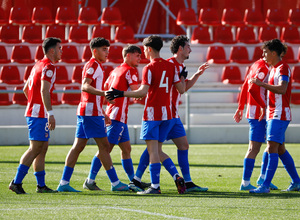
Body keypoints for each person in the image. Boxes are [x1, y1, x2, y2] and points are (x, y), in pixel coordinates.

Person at [106, 35, 186, 194]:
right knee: (156, 149)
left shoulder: (149, 68)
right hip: (167, 115)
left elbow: (142, 93)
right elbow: (181, 89)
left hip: (152, 114)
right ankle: (174, 175)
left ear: (149, 49)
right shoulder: (172, 67)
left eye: (144, 49)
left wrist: (119, 93)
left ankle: (155, 186)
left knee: (153, 151)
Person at [129, 35, 209, 193]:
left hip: (172, 114)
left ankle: (186, 182)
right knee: (154, 148)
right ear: (180, 48)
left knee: (177, 146)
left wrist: (196, 75)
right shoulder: (169, 64)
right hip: (166, 114)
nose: (190, 50)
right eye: (187, 47)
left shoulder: (175, 66)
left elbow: (182, 88)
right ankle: (142, 180)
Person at [57, 37, 129, 192]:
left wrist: (103, 112)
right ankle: (115, 183)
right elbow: (85, 86)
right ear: (94, 51)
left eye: (108, 49)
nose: (107, 52)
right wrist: (104, 93)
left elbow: (90, 93)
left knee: (78, 146)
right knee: (104, 146)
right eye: (104, 49)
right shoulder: (93, 65)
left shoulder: (95, 65)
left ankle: (63, 183)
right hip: (90, 113)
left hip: (88, 111)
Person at [83, 44, 149, 191]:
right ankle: (90, 180)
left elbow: (106, 91)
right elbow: (137, 92)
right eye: (137, 55)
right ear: (128, 55)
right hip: (117, 118)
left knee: (126, 149)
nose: (140, 58)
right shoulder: (130, 70)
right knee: (105, 150)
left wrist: (105, 111)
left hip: (117, 116)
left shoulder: (115, 70)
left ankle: (133, 181)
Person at [9, 37, 62, 194]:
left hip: (36, 112)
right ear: (51, 50)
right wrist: (49, 113)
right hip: (38, 114)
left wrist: (35, 105)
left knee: (42, 148)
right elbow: (44, 90)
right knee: (35, 148)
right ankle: (16, 182)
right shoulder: (49, 67)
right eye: (59, 48)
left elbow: (26, 89)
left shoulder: (38, 64)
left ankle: (41, 185)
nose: (61, 51)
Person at [249, 39, 300, 193]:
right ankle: (296, 182)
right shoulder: (273, 69)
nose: (263, 55)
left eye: (265, 52)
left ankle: (265, 186)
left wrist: (261, 84)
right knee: (281, 149)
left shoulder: (283, 68)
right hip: (273, 113)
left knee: (272, 147)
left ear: (273, 53)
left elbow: (283, 89)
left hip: (280, 114)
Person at [234, 57, 278, 191]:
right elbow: (251, 88)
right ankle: (245, 183)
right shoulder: (263, 68)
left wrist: (241, 107)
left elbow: (245, 85)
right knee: (254, 148)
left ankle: (263, 178)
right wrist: (263, 106)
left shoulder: (255, 64)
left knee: (270, 144)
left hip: (255, 112)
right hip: (258, 114)